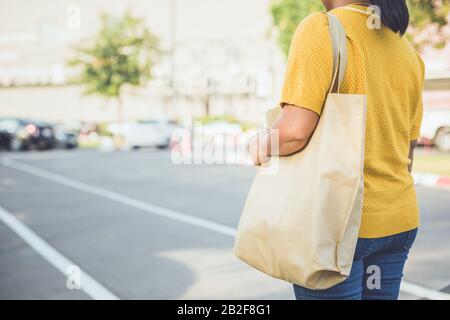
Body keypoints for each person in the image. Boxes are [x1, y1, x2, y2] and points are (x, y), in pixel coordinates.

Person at [248, 0, 424, 300]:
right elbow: (406, 154)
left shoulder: (323, 28)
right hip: (399, 222)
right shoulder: (408, 52)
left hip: (338, 226)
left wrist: (260, 143)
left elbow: (293, 133)